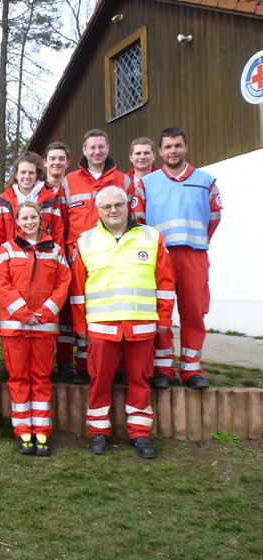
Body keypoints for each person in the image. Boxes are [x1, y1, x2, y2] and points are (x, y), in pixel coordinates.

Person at [70, 186, 175, 459]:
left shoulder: (151, 237)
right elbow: (77, 290)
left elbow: (165, 282)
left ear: (127, 205)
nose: (113, 210)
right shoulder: (85, 242)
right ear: (99, 210)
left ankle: (140, 436)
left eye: (118, 205)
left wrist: (164, 316)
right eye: (106, 207)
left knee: (140, 380)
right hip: (101, 326)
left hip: (141, 324)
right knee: (99, 381)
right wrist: (80, 326)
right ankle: (98, 433)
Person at [133, 127, 222, 389]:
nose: (173, 151)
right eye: (168, 147)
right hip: (159, 256)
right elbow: (139, 221)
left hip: (193, 254)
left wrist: (198, 240)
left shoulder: (206, 180)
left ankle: (192, 370)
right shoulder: (146, 183)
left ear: (185, 148)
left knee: (193, 312)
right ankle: (163, 369)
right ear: (160, 152)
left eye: (177, 146)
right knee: (161, 313)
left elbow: (214, 218)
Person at [0, 202, 71, 456]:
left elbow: (63, 285)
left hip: (44, 329)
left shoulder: (56, 251)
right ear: (17, 222)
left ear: (41, 220)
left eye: (33, 217)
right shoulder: (5, 250)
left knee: (41, 379)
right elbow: (1, 284)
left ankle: (42, 432)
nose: (29, 222)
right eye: (24, 218)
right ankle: (23, 433)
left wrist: (45, 312)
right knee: (18, 379)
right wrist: (25, 314)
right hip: (15, 329)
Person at [62, 130, 136, 385]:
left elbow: (133, 219)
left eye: (101, 146)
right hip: (81, 256)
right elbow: (61, 221)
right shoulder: (68, 181)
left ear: (107, 148)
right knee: (82, 308)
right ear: (84, 150)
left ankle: (121, 365)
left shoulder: (124, 180)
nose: (97, 151)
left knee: (119, 306)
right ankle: (83, 363)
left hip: (117, 253)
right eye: (92, 147)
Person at [44, 142, 77, 380]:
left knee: (67, 311)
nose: (56, 162)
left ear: (68, 162)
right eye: (52, 158)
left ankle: (66, 361)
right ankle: (43, 360)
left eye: (61, 158)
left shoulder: (73, 187)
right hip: (43, 258)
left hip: (71, 255)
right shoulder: (38, 190)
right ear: (45, 162)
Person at [0, 152, 65, 251]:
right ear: (16, 175)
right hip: (13, 259)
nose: (27, 176)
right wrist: (3, 259)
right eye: (23, 172)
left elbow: (57, 234)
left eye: (31, 172)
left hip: (43, 258)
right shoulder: (4, 201)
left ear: (37, 175)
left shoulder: (50, 200)